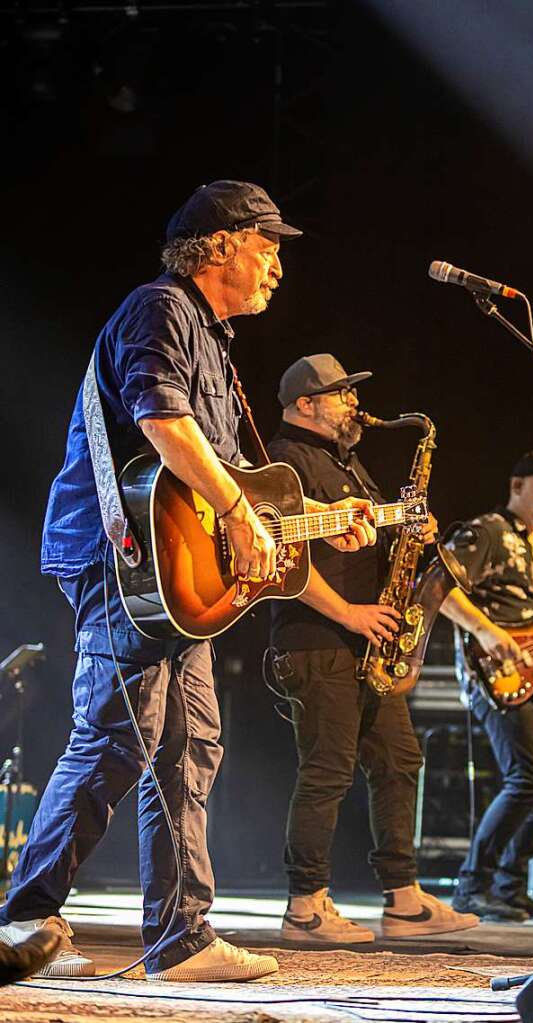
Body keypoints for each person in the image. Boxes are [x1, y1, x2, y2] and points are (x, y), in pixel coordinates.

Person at [0, 182, 376, 982]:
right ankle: (25, 918)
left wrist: (313, 518)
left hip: (172, 575)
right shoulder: (159, 308)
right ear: (217, 245)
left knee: (189, 744)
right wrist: (239, 512)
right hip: (122, 557)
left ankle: (180, 937)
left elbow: (237, 477)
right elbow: (163, 423)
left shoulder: (219, 344)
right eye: (266, 243)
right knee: (115, 732)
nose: (278, 262)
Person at [267, 354, 479, 943]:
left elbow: (373, 545)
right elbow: (284, 567)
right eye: (341, 395)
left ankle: (403, 901)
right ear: (304, 403)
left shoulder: (350, 462)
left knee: (399, 760)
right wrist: (352, 614)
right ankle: (305, 908)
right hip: (317, 640)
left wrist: (413, 532)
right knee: (327, 770)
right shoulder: (284, 464)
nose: (354, 404)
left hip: (367, 641)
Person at [439, 449, 533, 922]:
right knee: (527, 781)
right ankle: (472, 885)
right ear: (517, 485)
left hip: (532, 673)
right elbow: (437, 587)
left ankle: (508, 887)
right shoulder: (487, 532)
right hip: (493, 672)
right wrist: (487, 632)